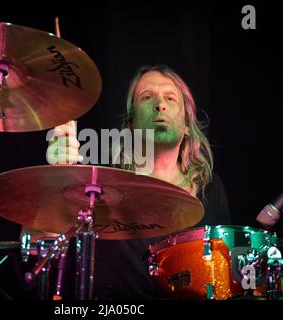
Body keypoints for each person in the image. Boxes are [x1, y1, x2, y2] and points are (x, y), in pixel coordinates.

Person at [24, 64, 231, 299]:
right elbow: (34, 247)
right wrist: (55, 178)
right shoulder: (100, 183)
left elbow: (226, 269)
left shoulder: (211, 187)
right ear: (131, 125)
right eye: (146, 98)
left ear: (186, 126)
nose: (159, 105)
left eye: (170, 98)